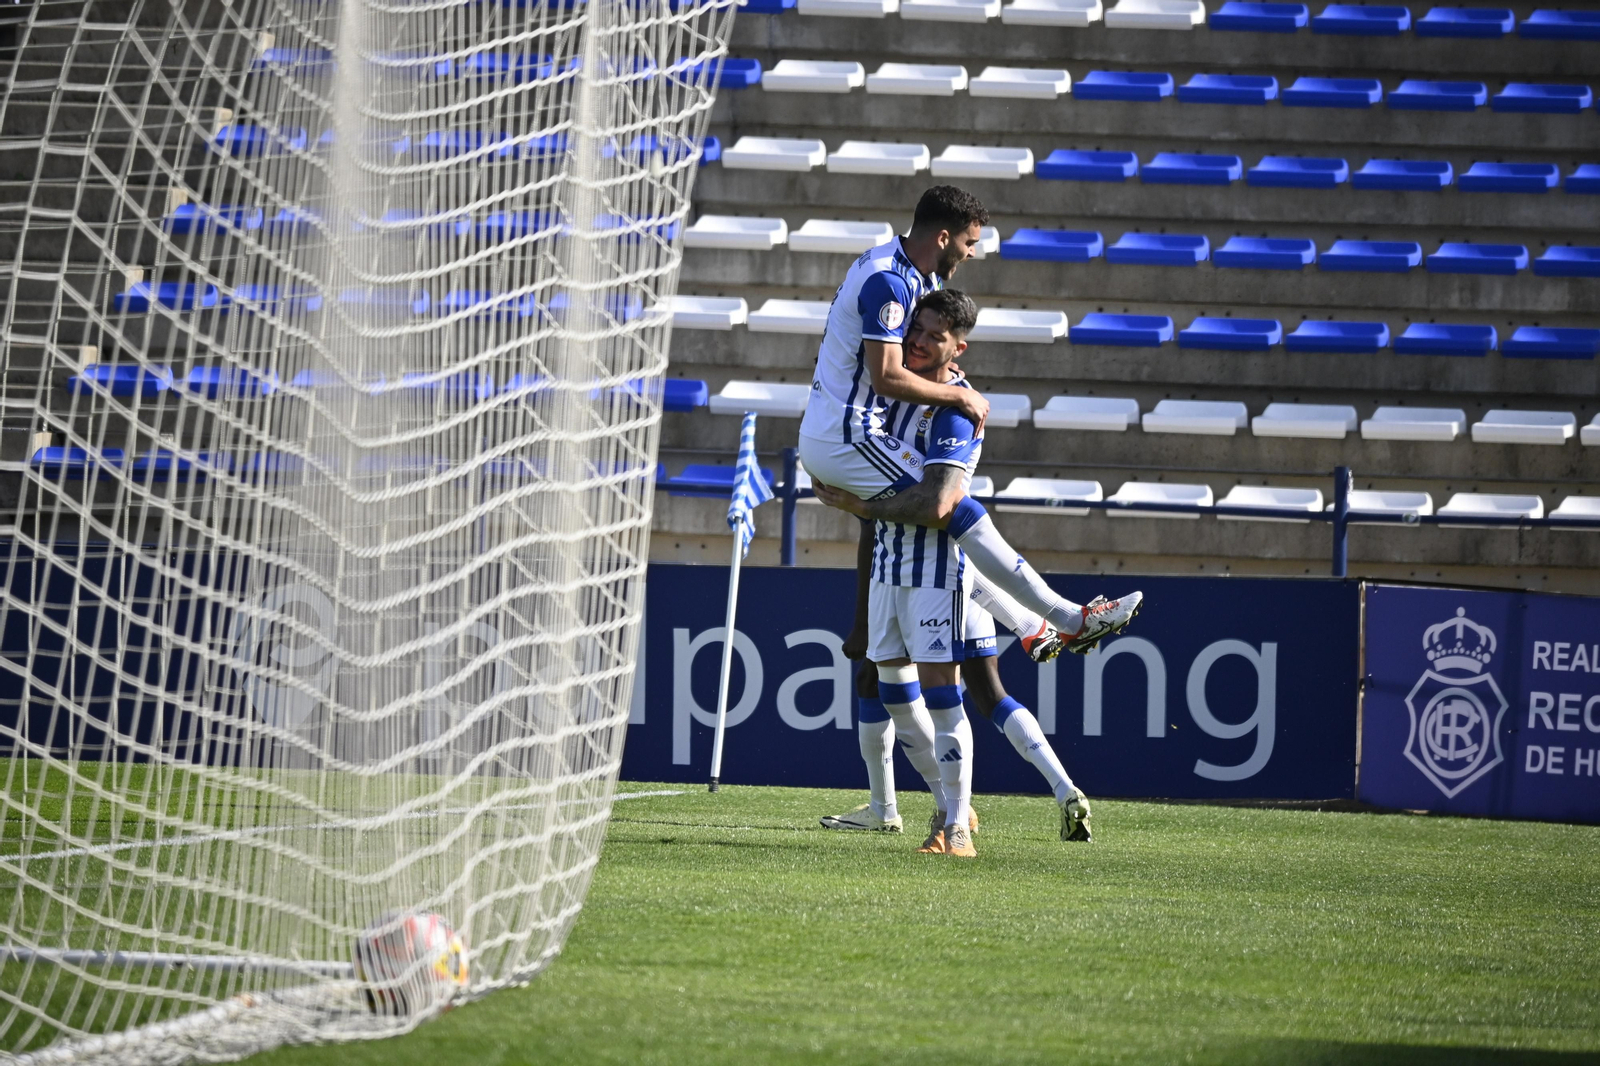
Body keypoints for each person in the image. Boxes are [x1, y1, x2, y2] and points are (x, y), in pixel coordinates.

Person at [795, 185, 1139, 655]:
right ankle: (1064, 619)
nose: (972, 253)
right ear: (942, 237)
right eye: (969, 243)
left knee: (945, 517)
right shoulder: (890, 282)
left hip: (851, 429)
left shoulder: (917, 277)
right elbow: (887, 377)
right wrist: (960, 397)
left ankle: (1036, 627)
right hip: (845, 434)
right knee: (948, 505)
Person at [815, 292, 1096, 847]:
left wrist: (861, 506)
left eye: (933, 335)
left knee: (954, 696)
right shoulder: (892, 391)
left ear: (957, 347)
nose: (916, 341)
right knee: (900, 692)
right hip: (891, 567)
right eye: (914, 329)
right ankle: (947, 809)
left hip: (937, 572)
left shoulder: (958, 407)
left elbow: (941, 506)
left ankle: (952, 826)